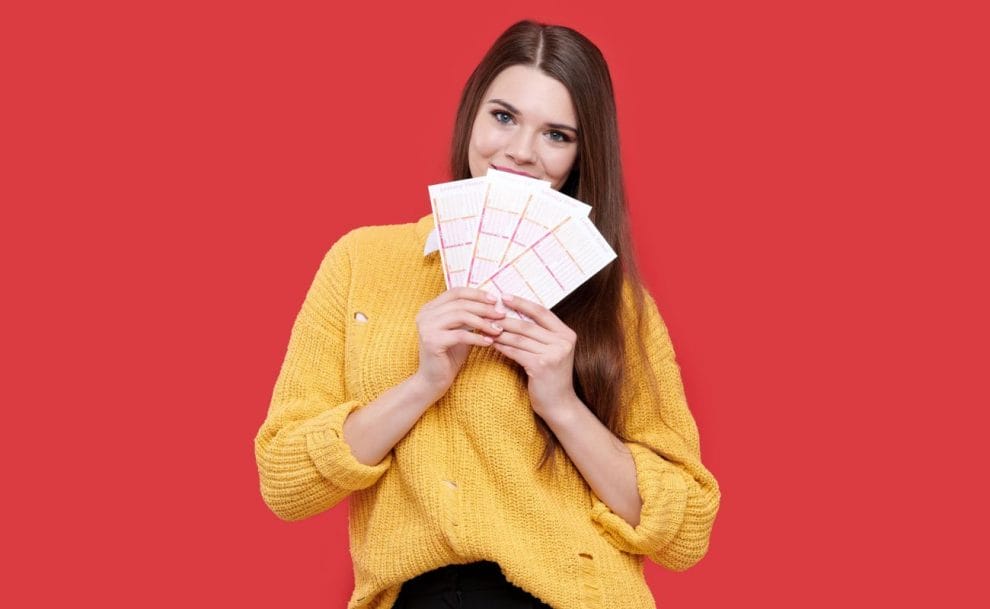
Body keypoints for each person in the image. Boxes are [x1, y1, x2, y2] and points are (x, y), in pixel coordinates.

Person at [254, 20, 720, 609]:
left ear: (582, 154)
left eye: (556, 134)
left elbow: (685, 531)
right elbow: (285, 482)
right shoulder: (359, 263)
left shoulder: (614, 302)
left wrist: (560, 401)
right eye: (503, 117)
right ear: (472, 113)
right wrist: (424, 383)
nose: (521, 152)